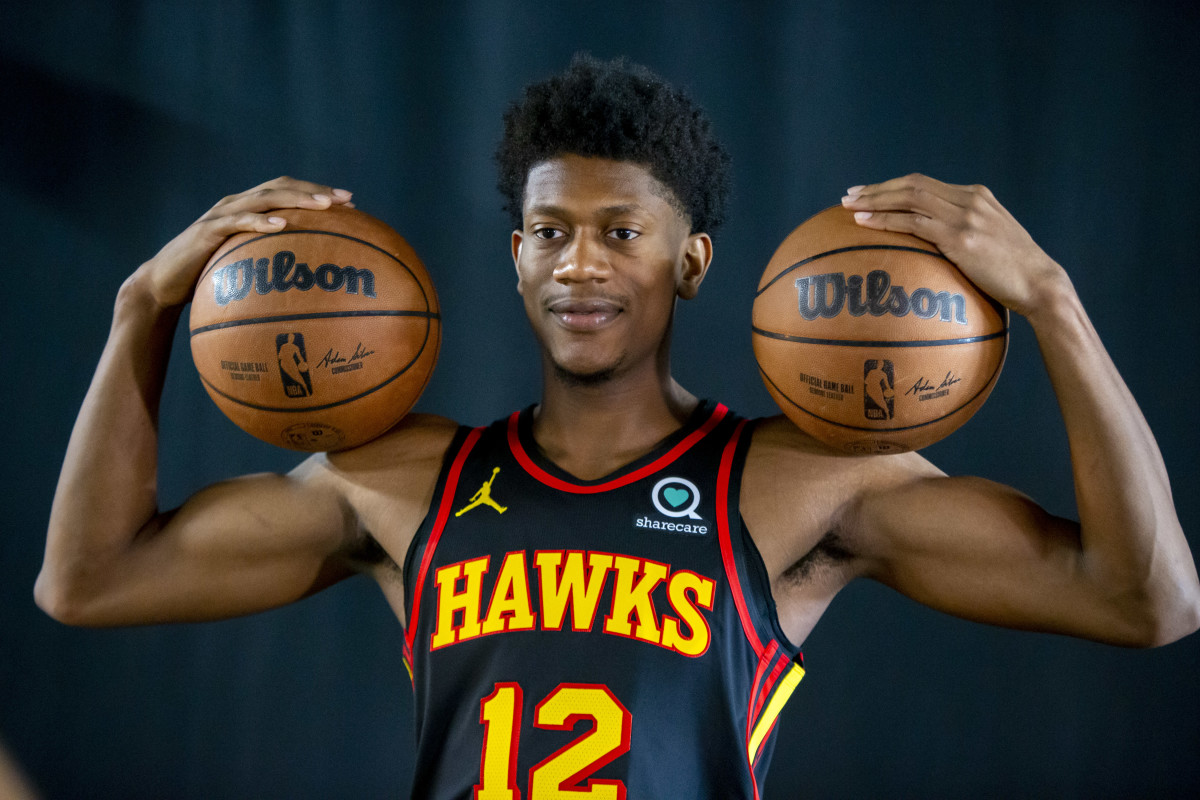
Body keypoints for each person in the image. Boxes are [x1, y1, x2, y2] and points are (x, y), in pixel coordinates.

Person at [37, 54, 1200, 798]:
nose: (578, 263)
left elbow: (1145, 599)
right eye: (548, 232)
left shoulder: (799, 486)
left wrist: (1051, 301)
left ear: (691, 262)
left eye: (620, 232)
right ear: (514, 256)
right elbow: (87, 579)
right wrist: (143, 306)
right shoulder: (400, 481)